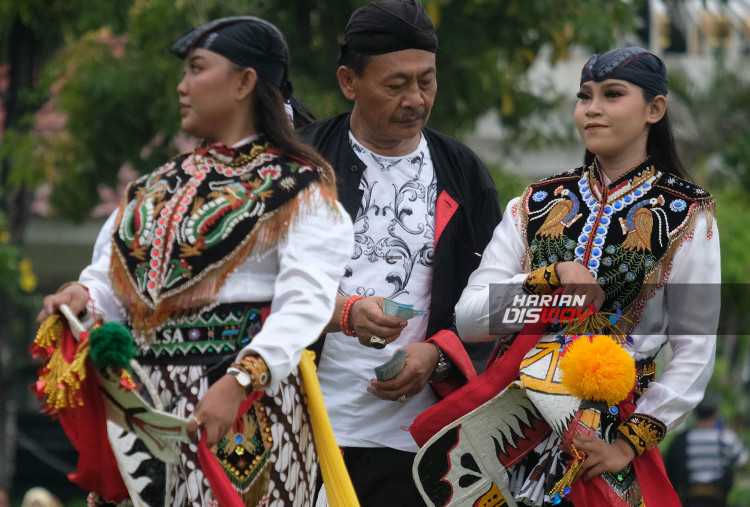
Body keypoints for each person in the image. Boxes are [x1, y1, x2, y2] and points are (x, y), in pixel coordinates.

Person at [36, 16, 353, 506]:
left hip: (242, 406)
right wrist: (83, 298)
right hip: (144, 411)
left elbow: (304, 305)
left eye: (196, 70)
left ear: (246, 81)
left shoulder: (300, 189)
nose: (182, 87)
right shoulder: (153, 188)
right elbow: (112, 281)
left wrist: (241, 380)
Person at [412, 46, 720, 506]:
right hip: (509, 432)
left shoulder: (686, 215)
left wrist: (626, 444)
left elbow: (695, 349)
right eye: (584, 96)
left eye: (612, 95)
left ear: (655, 109)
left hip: (605, 435)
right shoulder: (536, 204)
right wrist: (547, 279)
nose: (592, 108)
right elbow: (472, 318)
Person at [297, 1, 501, 504]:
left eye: (426, 81)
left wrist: (439, 354)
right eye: (396, 85)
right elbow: (254, 285)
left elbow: (498, 300)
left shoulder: (463, 172)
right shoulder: (298, 165)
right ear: (349, 82)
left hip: (421, 441)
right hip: (302, 428)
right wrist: (345, 311)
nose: (416, 98)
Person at [666, 393, 748, 507]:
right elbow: (743, 461)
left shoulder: (682, 439)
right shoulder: (726, 438)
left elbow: (670, 470)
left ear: (695, 413)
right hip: (717, 498)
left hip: (691, 498)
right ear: (715, 414)